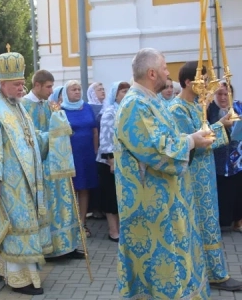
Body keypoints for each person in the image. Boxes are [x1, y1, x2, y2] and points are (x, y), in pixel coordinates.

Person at [114, 48, 214, 299]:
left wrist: (188, 138)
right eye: (164, 69)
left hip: (165, 198)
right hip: (149, 204)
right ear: (151, 73)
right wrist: (191, 141)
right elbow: (154, 149)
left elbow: (165, 137)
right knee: (160, 262)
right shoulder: (135, 105)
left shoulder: (151, 100)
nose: (168, 74)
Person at [0, 51, 73, 296]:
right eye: (17, 84)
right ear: (3, 83)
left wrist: (54, 133)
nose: (21, 87)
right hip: (7, 183)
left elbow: (32, 140)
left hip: (27, 181)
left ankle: (26, 273)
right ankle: (18, 278)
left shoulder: (17, 108)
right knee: (15, 227)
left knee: (26, 225)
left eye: (22, 83)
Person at [169, 62, 242, 291]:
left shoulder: (195, 106)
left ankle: (215, 273)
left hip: (206, 173)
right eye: (206, 81)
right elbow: (192, 144)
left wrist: (220, 126)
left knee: (209, 223)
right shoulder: (176, 110)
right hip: (192, 176)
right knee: (200, 224)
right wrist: (221, 126)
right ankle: (206, 274)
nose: (210, 87)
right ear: (190, 83)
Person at [23, 70, 82, 259]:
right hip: (38, 166)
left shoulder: (50, 105)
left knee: (63, 204)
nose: (51, 90)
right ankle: (50, 249)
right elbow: (29, 136)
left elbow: (59, 130)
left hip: (56, 163)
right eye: (48, 86)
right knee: (48, 208)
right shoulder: (23, 106)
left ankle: (67, 246)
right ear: (37, 85)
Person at [61, 80, 99, 238]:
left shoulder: (87, 107)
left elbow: (94, 130)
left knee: (84, 189)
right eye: (73, 90)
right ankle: (70, 225)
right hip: (70, 155)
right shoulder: (61, 110)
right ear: (66, 93)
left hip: (87, 155)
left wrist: (96, 151)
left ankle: (82, 223)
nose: (77, 92)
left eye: (79, 89)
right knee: (71, 190)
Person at [96, 81, 130, 242]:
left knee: (121, 196)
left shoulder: (128, 111)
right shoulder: (110, 112)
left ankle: (122, 229)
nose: (126, 94)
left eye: (128, 91)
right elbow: (106, 138)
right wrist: (111, 160)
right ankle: (113, 230)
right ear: (115, 95)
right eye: (123, 91)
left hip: (125, 159)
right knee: (111, 197)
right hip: (110, 161)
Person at [208, 82, 242, 230]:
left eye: (226, 94)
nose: (223, 98)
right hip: (216, 161)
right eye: (219, 94)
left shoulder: (238, 108)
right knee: (221, 193)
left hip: (237, 160)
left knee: (237, 191)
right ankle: (220, 223)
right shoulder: (208, 111)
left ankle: (238, 221)